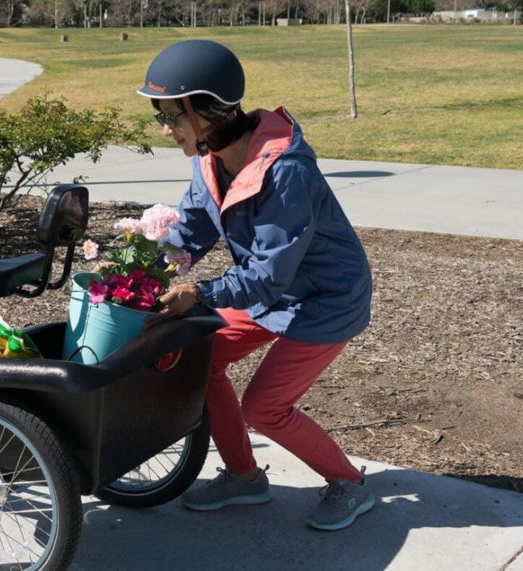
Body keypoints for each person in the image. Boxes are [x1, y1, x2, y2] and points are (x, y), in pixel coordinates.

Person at [140, 39, 375, 531]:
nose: (167, 129)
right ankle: (244, 478)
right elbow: (191, 232)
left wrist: (200, 294)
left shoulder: (284, 171)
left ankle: (350, 484)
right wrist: (141, 270)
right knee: (200, 360)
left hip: (325, 301)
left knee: (264, 408)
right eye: (162, 116)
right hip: (274, 293)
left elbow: (267, 274)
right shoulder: (211, 162)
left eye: (173, 117)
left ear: (207, 110)